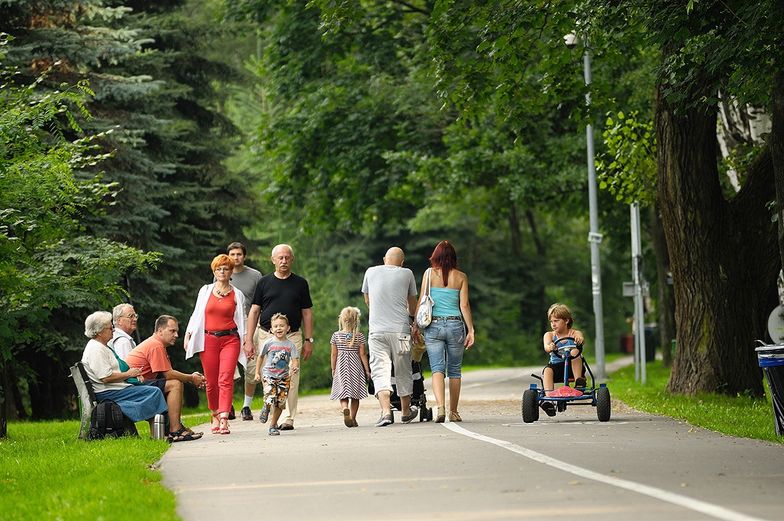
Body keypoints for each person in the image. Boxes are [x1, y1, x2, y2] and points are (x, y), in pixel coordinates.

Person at [243, 244, 313, 431]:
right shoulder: (264, 283)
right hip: (267, 336)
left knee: (292, 375)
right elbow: (255, 310)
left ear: (292, 259)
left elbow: (307, 313)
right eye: (280, 258)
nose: (283, 261)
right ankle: (272, 408)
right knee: (269, 376)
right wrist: (249, 339)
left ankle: (289, 418)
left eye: (287, 257)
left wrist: (309, 340)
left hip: (293, 336)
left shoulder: (300, 283)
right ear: (273, 260)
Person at [183, 254, 246, 435]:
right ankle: (215, 413)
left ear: (231, 271)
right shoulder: (205, 291)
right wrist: (188, 335)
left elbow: (241, 320)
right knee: (211, 382)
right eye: (218, 269)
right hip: (208, 339)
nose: (222, 272)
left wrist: (247, 342)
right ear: (214, 271)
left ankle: (225, 418)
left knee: (225, 378)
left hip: (230, 339)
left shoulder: (237, 294)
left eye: (226, 269)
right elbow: (196, 315)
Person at [361, 246, 419, 427]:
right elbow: (412, 306)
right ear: (402, 263)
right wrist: (413, 321)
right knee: (403, 370)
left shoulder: (370, 272)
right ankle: (406, 411)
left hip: (377, 331)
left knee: (380, 371)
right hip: (400, 330)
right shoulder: (407, 273)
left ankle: (386, 412)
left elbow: (368, 300)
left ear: (384, 259)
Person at [418, 240, 475, 423]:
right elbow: (464, 305)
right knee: (455, 370)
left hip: (433, 326)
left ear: (435, 256)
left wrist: (414, 326)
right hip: (455, 325)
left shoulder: (428, 275)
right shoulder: (461, 277)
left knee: (437, 369)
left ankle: (440, 407)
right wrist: (471, 330)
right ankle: (454, 411)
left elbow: (421, 302)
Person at [126, 315, 207, 442]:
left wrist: (191, 377)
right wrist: (191, 378)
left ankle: (176, 427)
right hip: (131, 387)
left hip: (136, 384)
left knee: (172, 383)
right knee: (174, 384)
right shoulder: (155, 345)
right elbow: (169, 375)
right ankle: (176, 430)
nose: (176, 335)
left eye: (177, 331)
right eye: (172, 331)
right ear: (159, 331)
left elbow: (165, 374)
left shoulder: (156, 344)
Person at [80, 311, 167, 425]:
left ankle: (157, 432)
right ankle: (159, 431)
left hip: (113, 389)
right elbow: (106, 377)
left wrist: (133, 374)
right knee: (154, 392)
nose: (113, 330)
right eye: (110, 328)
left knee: (153, 391)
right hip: (108, 392)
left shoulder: (101, 346)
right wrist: (129, 374)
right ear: (99, 331)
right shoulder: (96, 349)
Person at [225, 241, 263, 420]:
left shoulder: (255, 275)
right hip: (228, 324)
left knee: (251, 366)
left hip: (251, 324)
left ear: (244, 256)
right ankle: (228, 405)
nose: (235, 258)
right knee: (228, 367)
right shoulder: (223, 273)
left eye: (239, 254)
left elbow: (261, 302)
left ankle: (246, 406)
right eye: (232, 255)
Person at [254, 313, 300, 436]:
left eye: (281, 326)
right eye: (276, 326)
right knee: (270, 397)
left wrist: (295, 367)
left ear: (288, 328)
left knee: (280, 403)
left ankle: (273, 425)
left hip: (284, 377)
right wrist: (257, 372)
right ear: (271, 329)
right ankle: (266, 407)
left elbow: (295, 359)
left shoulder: (290, 345)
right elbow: (260, 357)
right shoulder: (268, 343)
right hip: (269, 375)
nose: (278, 328)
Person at [541, 303, 586, 416]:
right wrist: (550, 346)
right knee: (547, 370)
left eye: (556, 321)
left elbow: (581, 338)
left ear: (566, 321)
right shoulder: (550, 335)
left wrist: (579, 340)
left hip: (573, 367)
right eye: (551, 321)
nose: (553, 324)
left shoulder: (574, 333)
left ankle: (579, 382)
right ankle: (548, 399)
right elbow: (546, 346)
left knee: (575, 352)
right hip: (557, 368)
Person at [329, 306, 370, 428]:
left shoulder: (336, 336)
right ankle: (352, 418)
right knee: (355, 395)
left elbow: (333, 354)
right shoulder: (359, 336)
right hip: (355, 367)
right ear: (356, 320)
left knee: (343, 392)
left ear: (341, 320)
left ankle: (345, 408)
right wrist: (367, 370)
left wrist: (333, 368)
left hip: (341, 367)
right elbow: (362, 354)